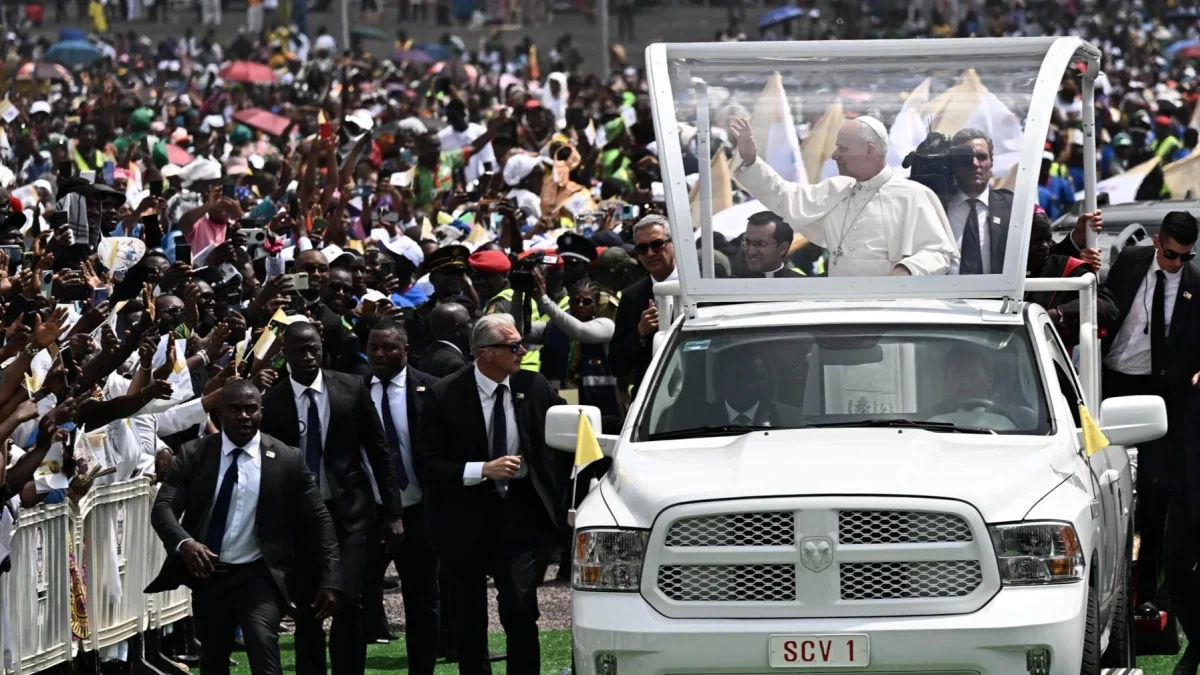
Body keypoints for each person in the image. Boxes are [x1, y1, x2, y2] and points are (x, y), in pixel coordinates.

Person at [147, 380, 342, 675]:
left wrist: (331, 577)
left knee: (262, 643)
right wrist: (185, 543)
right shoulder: (194, 454)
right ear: (219, 414)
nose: (244, 416)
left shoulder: (287, 459)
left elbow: (319, 519)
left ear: (261, 413)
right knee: (213, 658)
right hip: (210, 575)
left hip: (259, 575)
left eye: (251, 409)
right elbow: (164, 508)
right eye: (235, 409)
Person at [414, 313, 564, 675]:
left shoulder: (535, 386)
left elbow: (563, 440)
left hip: (518, 516)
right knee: (468, 618)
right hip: (462, 519)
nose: (522, 351)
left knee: (520, 607)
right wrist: (482, 469)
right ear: (485, 354)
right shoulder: (444, 394)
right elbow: (427, 465)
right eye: (513, 346)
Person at [259, 322, 405, 675]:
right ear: (286, 354)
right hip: (300, 520)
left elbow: (380, 451)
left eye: (314, 348)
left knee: (348, 599)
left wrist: (394, 511)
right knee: (309, 607)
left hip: (350, 514)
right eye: (299, 351)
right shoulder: (273, 402)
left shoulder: (351, 387)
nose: (308, 356)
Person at [1097, 211, 1200, 621]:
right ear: (1159, 242)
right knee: (1102, 481)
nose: (1176, 264)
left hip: (1162, 394)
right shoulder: (1132, 261)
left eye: (1185, 257)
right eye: (1172, 255)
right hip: (1111, 381)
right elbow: (1106, 299)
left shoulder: (1195, 284)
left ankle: (1150, 594)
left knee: (1156, 496)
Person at [730, 116, 957, 277]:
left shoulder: (914, 195)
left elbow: (939, 253)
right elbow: (784, 196)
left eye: (843, 148)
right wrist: (751, 160)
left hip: (892, 309)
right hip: (840, 306)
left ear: (869, 150)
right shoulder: (836, 190)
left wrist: (907, 269)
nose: (835, 154)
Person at [359, 320, 441, 675]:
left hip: (420, 508)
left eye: (389, 347)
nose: (379, 354)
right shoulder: (354, 389)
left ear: (406, 351)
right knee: (356, 597)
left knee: (423, 600)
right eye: (374, 347)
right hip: (368, 511)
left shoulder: (432, 390)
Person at [610, 215, 676, 388]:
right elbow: (617, 365)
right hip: (650, 394)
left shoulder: (697, 287)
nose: (650, 253)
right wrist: (639, 332)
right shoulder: (632, 297)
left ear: (674, 243)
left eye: (657, 244)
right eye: (642, 248)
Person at [947, 129, 1014, 275]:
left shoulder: (1012, 206)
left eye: (982, 157)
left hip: (995, 297)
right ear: (953, 164)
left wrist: (1073, 239)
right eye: (966, 157)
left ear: (991, 164)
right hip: (942, 296)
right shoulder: (936, 206)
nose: (975, 163)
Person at [737, 211, 804, 278]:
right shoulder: (731, 284)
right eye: (747, 243)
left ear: (783, 248)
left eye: (761, 244)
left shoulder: (803, 284)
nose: (751, 252)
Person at [419, 302, 472, 377]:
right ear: (456, 329)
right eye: (469, 322)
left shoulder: (430, 353)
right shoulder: (455, 364)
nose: (472, 326)